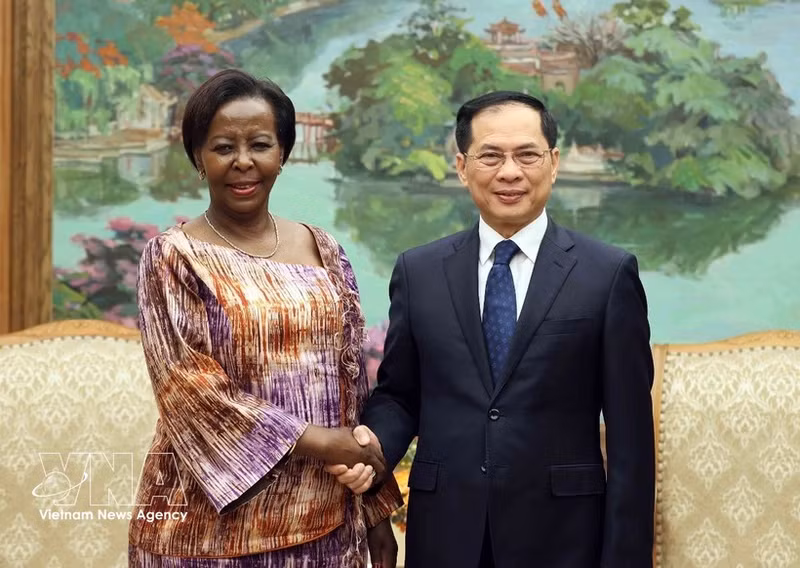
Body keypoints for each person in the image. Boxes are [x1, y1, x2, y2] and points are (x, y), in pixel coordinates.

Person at [329, 91, 655, 567]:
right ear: (462, 167)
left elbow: (630, 440)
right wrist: (374, 447)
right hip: (446, 533)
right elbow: (401, 395)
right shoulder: (419, 272)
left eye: (527, 155)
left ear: (554, 162)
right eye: (491, 156)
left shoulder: (606, 274)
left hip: (564, 538)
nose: (509, 172)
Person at [129, 69, 402, 567]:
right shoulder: (174, 256)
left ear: (283, 154)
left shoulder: (325, 249)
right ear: (197, 157)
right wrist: (321, 442)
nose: (243, 162)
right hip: (205, 537)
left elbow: (349, 384)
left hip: (328, 530)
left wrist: (375, 512)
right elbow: (190, 391)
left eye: (259, 144)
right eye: (222, 147)